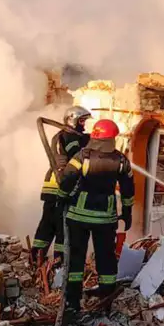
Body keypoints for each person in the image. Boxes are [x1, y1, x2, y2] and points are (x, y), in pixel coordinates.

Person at [58, 119, 134, 313]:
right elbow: (128, 189)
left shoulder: (82, 156)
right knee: (106, 258)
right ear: (112, 138)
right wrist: (127, 212)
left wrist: (62, 198)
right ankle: (106, 300)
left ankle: (72, 301)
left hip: (79, 216)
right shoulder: (121, 160)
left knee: (76, 259)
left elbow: (67, 179)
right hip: (105, 219)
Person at [31, 106, 92, 268]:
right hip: (61, 184)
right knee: (61, 224)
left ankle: (36, 257)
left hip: (53, 185)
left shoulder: (63, 135)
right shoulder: (70, 137)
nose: (84, 125)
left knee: (47, 223)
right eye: (82, 121)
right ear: (72, 119)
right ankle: (59, 262)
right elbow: (77, 154)